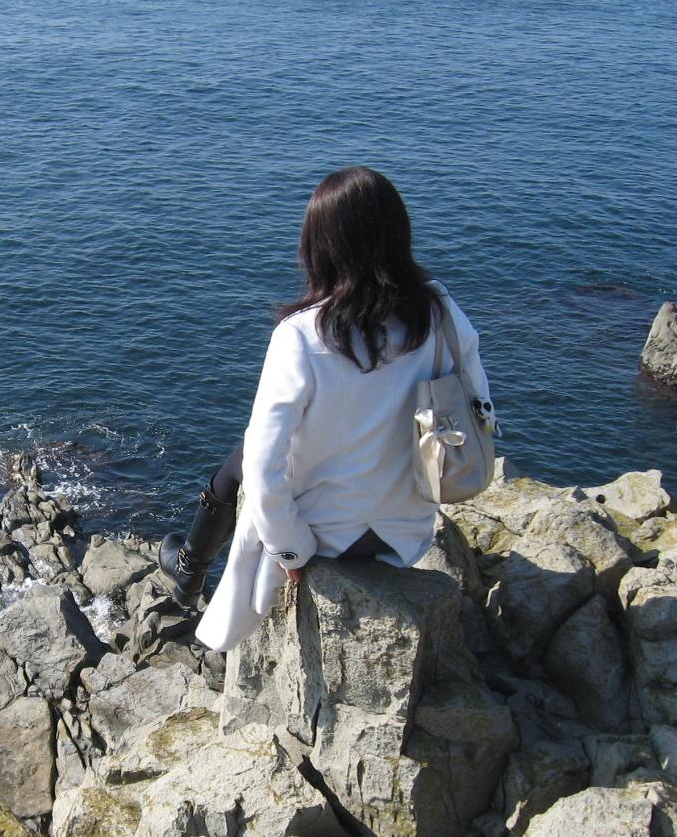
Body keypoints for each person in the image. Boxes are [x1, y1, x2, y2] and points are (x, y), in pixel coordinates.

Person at [156, 166, 495, 653]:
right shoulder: (439, 311)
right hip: (406, 531)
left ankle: (190, 571)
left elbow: (265, 466)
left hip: (324, 536)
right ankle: (189, 567)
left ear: (321, 246)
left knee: (245, 457)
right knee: (244, 457)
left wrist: (291, 549)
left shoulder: (301, 335)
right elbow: (480, 404)